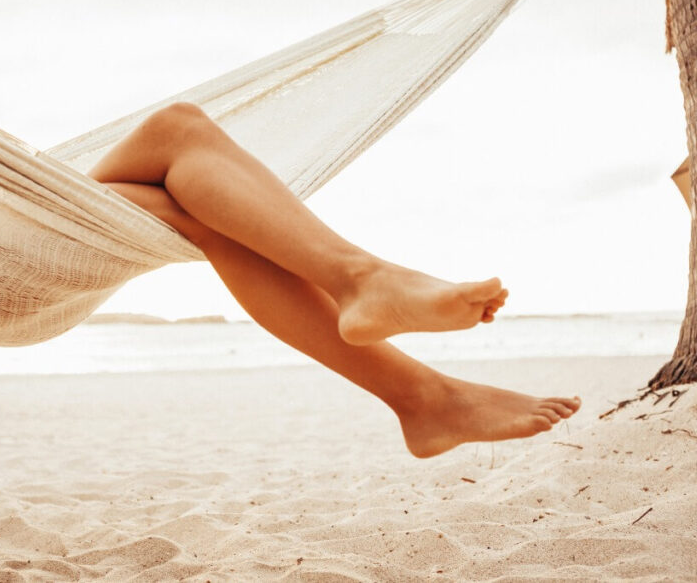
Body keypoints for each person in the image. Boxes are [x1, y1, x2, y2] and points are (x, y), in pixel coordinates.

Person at [89, 102, 580, 458]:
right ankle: (371, 297)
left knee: (201, 202)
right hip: (10, 231)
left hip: (21, 220)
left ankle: (423, 393)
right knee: (177, 133)